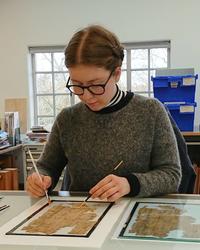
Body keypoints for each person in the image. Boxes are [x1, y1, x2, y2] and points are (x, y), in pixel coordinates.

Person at [26, 25, 181, 201]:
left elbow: (171, 175)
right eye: (77, 85)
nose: (86, 95)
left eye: (95, 85)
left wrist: (130, 184)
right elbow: (46, 167)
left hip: (133, 215)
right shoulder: (67, 119)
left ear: (116, 74)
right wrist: (39, 179)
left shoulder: (150, 111)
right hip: (81, 217)